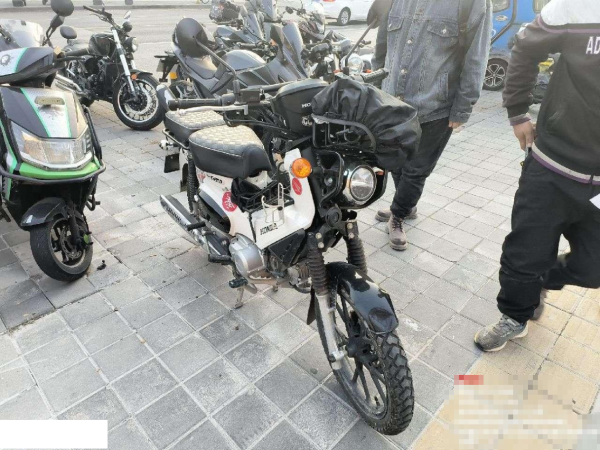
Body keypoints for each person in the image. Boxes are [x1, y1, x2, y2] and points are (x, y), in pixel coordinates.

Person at [475, 0, 600, 352]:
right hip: (552, 165)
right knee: (525, 255)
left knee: (593, 268)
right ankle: (515, 316)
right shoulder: (575, 7)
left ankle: (542, 280)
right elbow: (526, 48)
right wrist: (517, 111)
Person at [371, 0, 492, 250]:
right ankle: (406, 205)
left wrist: (463, 106)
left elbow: (477, 56)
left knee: (416, 170)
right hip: (393, 101)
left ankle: (398, 215)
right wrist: (375, 87)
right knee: (396, 161)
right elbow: (382, 45)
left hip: (435, 105)